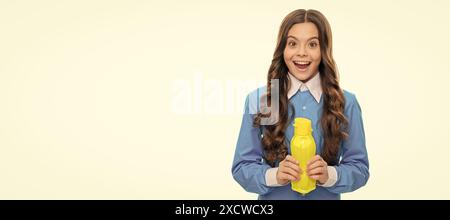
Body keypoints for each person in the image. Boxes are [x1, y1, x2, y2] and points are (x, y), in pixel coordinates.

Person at [231, 9, 369, 200]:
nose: (302, 53)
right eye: (293, 43)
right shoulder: (263, 100)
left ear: (324, 50)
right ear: (283, 49)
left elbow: (360, 168)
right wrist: (274, 176)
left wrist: (330, 175)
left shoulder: (345, 103)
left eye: (312, 44)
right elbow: (242, 166)